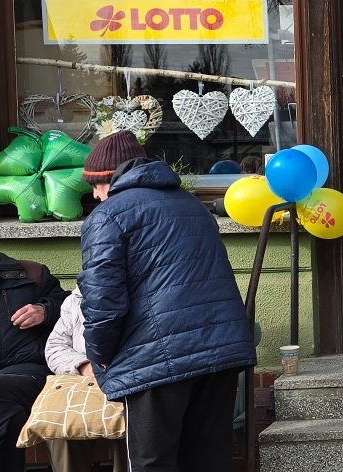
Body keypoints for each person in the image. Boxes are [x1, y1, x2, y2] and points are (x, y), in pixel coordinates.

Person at [79, 130, 256, 472]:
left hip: (154, 360)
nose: (95, 195)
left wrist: (100, 357)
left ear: (108, 178)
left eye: (94, 185)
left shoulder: (108, 215)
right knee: (208, 461)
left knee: (152, 463)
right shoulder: (192, 206)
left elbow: (103, 303)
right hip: (217, 353)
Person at [0, 214, 68, 472]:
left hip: (26, 373)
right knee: (8, 416)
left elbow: (71, 307)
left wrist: (45, 310)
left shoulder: (30, 273)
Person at [43, 288, 128, 472]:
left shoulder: (143, 293)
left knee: (135, 426)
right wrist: (83, 366)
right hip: (82, 382)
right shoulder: (75, 299)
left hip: (129, 379)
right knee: (61, 427)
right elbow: (55, 347)